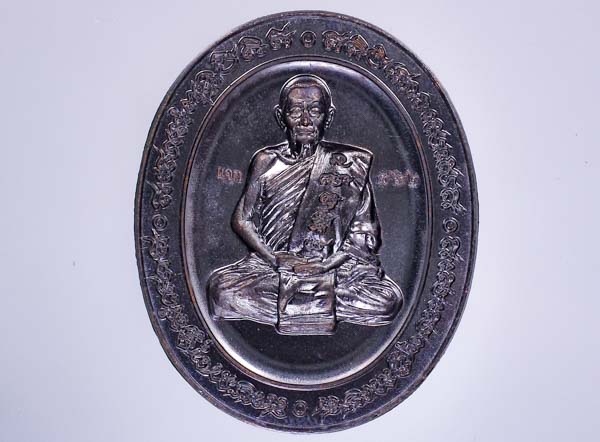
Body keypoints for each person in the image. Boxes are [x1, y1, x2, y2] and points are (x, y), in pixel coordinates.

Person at [207, 74, 402, 334]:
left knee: (387, 301)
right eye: (295, 111)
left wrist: (326, 265)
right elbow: (243, 219)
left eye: (315, 112)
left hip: (336, 268)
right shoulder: (266, 161)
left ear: (328, 118)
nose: (305, 121)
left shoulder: (348, 166)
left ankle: (297, 301)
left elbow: (363, 236)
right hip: (272, 267)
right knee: (221, 291)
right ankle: (312, 303)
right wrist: (273, 258)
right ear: (281, 117)